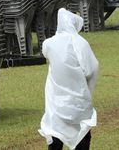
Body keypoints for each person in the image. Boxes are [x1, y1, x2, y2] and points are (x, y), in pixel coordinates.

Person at [39, 8, 99, 150]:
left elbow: (46, 52)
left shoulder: (49, 43)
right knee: (82, 132)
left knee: (55, 134)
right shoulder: (81, 43)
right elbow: (92, 68)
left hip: (57, 101)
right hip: (78, 99)